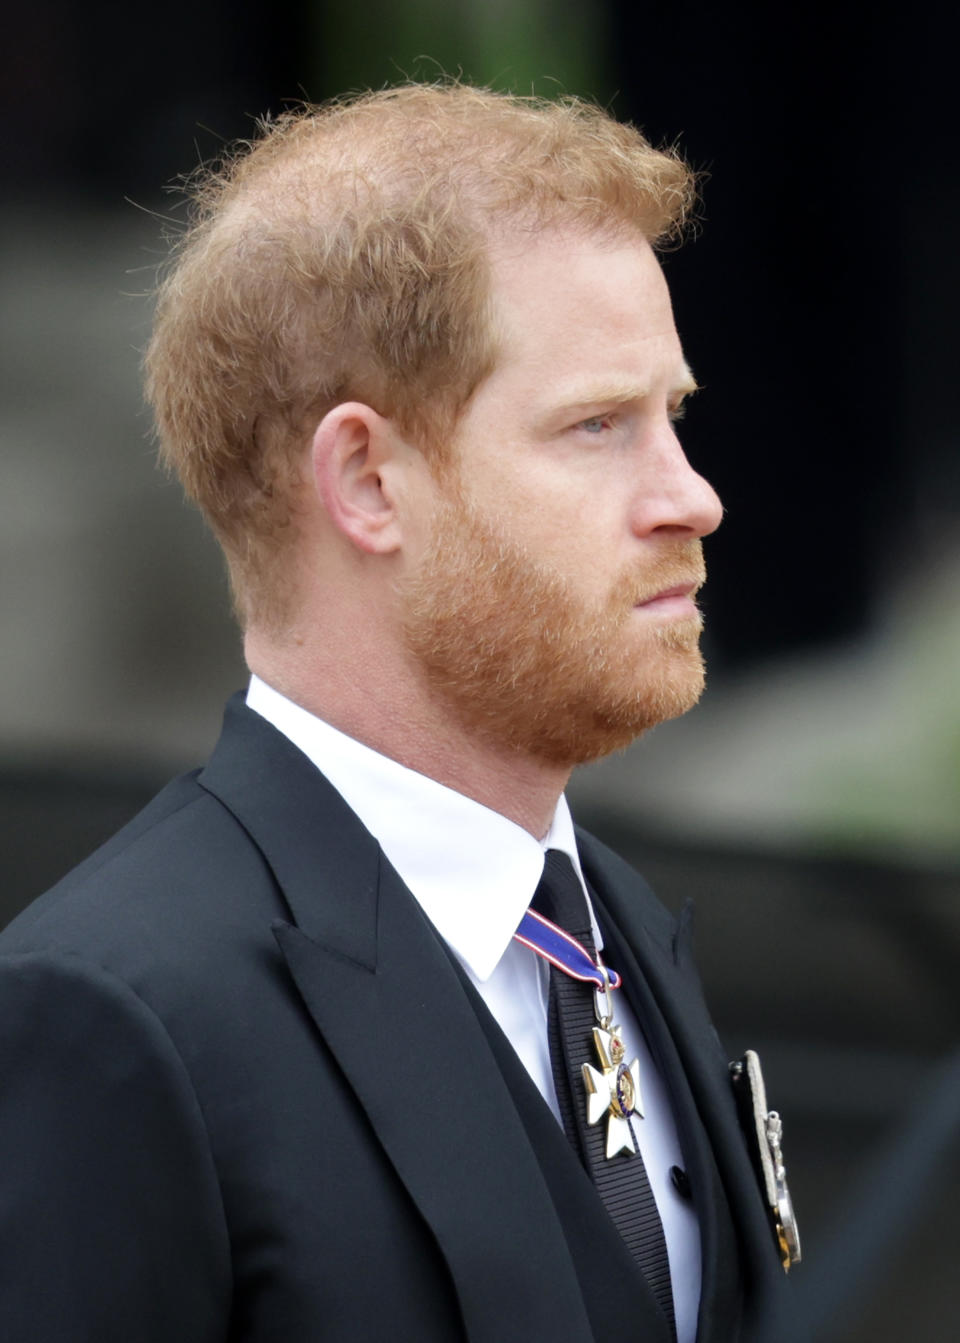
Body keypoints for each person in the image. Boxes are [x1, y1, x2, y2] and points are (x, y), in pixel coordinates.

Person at [0, 84, 795, 1342]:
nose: (691, 497)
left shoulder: (619, 933)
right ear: (368, 480)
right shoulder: (114, 1018)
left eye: (674, 417)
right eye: (597, 425)